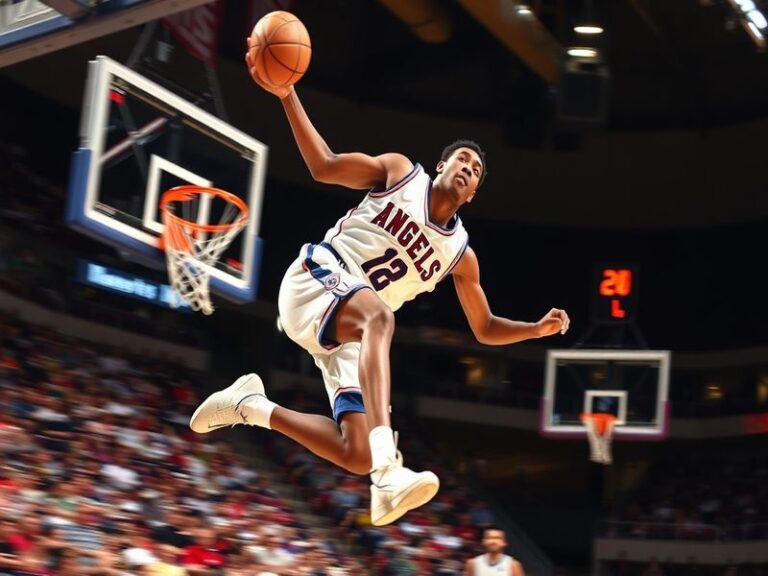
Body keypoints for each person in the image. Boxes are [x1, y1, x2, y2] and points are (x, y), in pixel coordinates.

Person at [189, 39, 571, 527]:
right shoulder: (399, 173)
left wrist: (534, 330)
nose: (467, 170)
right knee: (379, 317)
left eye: (475, 172)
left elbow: (484, 328)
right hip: (315, 280)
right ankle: (390, 470)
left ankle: (251, 406)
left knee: (355, 454)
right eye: (461, 162)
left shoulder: (460, 255)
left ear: (473, 192)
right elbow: (323, 166)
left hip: (348, 331)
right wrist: (287, 95)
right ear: (442, 166)